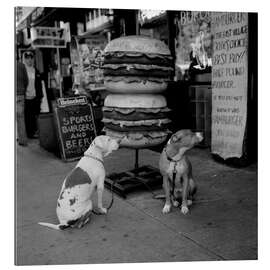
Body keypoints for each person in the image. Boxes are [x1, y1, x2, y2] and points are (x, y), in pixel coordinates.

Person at [23, 50, 43, 139]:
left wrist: (40, 96)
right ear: (24, 59)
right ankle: (28, 133)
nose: (29, 60)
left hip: (35, 98)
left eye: (31, 58)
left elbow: (39, 85)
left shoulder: (36, 70)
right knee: (27, 117)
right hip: (26, 98)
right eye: (27, 59)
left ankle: (34, 132)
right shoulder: (22, 71)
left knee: (35, 116)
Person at [16, 55, 29, 146]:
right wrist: (23, 90)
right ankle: (23, 140)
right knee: (20, 118)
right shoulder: (21, 66)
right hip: (20, 95)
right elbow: (26, 80)